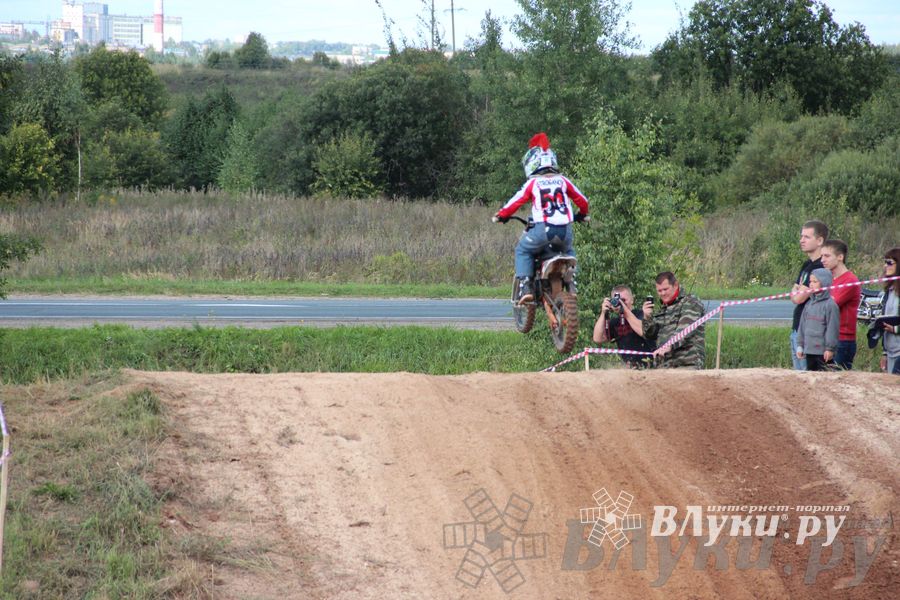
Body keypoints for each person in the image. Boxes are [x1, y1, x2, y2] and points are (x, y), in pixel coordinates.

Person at [495, 132, 589, 302]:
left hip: (542, 231)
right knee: (569, 251)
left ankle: (526, 286)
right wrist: (582, 214)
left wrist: (502, 215)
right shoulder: (563, 181)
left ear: (532, 163)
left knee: (523, 250)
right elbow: (583, 200)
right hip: (565, 233)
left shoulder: (533, 183)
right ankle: (573, 281)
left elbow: (515, 202)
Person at [641, 272, 706, 369]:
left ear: (675, 285)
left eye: (665, 289)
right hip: (664, 366)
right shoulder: (663, 309)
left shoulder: (690, 301)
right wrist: (647, 317)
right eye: (659, 291)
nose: (662, 293)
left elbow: (685, 329)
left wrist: (669, 345)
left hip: (686, 365)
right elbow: (650, 335)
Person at [790, 220, 828, 370]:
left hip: (809, 332)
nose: (801, 240)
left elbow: (799, 297)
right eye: (801, 236)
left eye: (806, 237)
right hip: (797, 327)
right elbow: (794, 292)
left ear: (819, 240)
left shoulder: (820, 267)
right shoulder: (807, 265)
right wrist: (797, 291)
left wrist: (798, 292)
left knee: (807, 377)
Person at [820, 239, 860, 370]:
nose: (822, 260)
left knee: (838, 382)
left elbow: (829, 304)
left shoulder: (850, 280)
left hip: (842, 339)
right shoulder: (829, 279)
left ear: (840, 257)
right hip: (828, 337)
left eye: (827, 256)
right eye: (821, 256)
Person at [592, 285, 655, 368]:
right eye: (617, 300)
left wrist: (624, 309)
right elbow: (597, 338)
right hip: (631, 369)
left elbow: (643, 331)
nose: (620, 303)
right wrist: (603, 313)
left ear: (632, 300)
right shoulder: (616, 322)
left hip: (651, 366)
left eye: (624, 300)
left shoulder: (641, 314)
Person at [795, 269, 840, 371]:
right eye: (810, 281)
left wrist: (830, 348)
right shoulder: (809, 304)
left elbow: (832, 329)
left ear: (824, 283)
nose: (811, 284)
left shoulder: (830, 305)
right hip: (809, 350)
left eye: (815, 282)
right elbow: (802, 326)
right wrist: (800, 345)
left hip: (823, 353)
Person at [878, 248, 900, 375]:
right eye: (885, 262)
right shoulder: (889, 291)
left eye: (889, 262)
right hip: (891, 350)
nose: (885, 266)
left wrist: (895, 329)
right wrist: (884, 353)